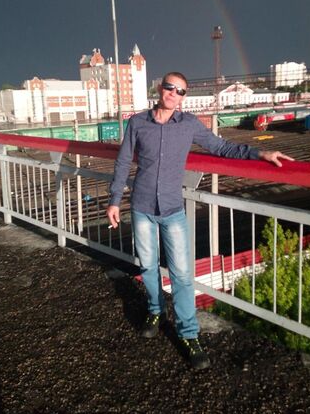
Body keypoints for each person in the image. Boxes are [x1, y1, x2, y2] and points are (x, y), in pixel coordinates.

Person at [107, 72, 293, 370]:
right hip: (141, 207)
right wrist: (114, 200)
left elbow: (222, 147)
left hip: (172, 210)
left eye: (180, 91)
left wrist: (261, 152)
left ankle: (189, 335)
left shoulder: (189, 124)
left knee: (182, 275)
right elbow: (122, 161)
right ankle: (155, 311)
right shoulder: (137, 123)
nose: (174, 93)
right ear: (160, 88)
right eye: (170, 87)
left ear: (184, 97)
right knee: (148, 266)